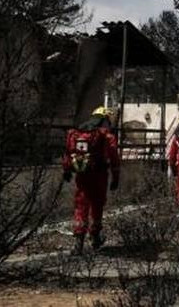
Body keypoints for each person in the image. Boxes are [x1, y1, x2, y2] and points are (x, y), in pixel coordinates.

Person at [62, 107, 120, 254]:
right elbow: (114, 158)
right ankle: (95, 237)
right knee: (97, 205)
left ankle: (78, 242)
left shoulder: (77, 133)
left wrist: (67, 170)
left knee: (81, 206)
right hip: (99, 175)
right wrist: (116, 178)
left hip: (82, 175)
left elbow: (68, 153)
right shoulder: (106, 136)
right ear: (105, 119)